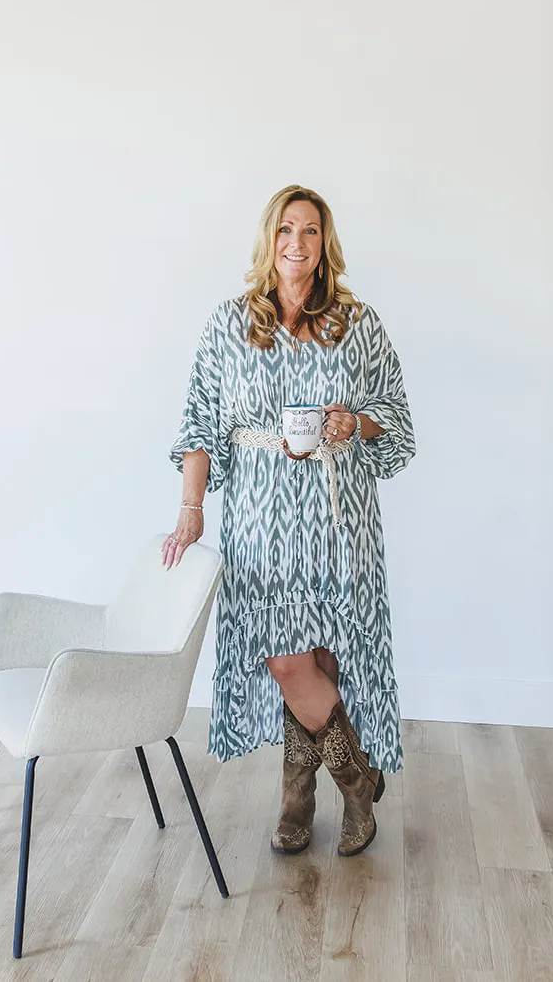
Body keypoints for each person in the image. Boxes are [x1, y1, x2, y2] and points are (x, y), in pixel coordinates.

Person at [164, 184, 415, 857]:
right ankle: (359, 782)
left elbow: (394, 415)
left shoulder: (356, 323)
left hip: (338, 512)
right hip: (260, 517)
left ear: (324, 242)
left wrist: (354, 421)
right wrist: (191, 508)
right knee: (286, 657)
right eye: (285, 229)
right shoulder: (230, 323)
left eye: (309, 230)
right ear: (268, 239)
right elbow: (199, 423)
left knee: (323, 655)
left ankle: (297, 801)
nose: (296, 242)